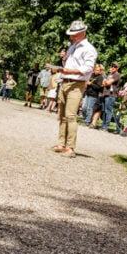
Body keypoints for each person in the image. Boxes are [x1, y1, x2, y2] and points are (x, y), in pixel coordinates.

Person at [49, 20, 98, 158]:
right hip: (65, 82)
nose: (72, 37)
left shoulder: (89, 49)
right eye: (72, 34)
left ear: (83, 33)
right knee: (62, 115)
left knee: (70, 116)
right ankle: (61, 144)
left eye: (75, 34)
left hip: (76, 84)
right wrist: (64, 60)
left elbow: (88, 68)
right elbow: (70, 63)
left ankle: (70, 147)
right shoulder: (72, 47)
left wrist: (69, 71)